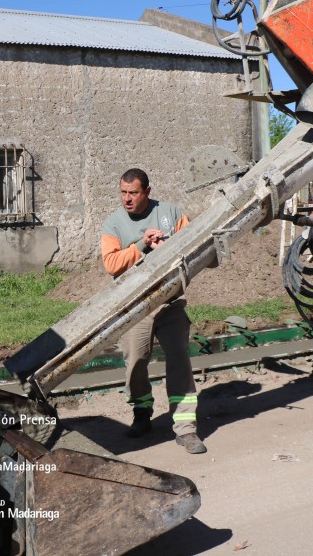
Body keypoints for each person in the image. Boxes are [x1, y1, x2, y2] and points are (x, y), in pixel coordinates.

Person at [100, 167, 206, 454]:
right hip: (135, 306)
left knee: (179, 359)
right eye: (123, 192)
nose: (127, 199)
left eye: (133, 192)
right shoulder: (114, 224)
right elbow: (111, 264)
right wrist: (142, 245)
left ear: (147, 190)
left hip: (170, 302)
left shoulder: (171, 213)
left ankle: (186, 428)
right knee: (135, 360)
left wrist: (166, 246)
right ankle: (142, 412)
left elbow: (193, 245)